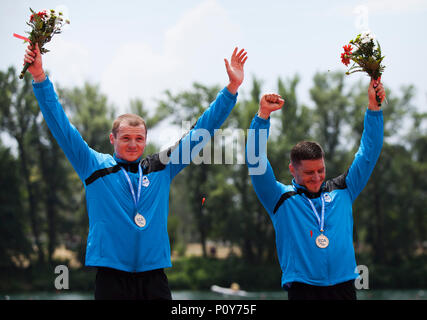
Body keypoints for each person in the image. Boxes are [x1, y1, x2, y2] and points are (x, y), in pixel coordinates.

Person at [24, 43, 248, 300]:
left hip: (154, 276)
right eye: (126, 138)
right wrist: (40, 77)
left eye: (139, 139)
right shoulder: (94, 166)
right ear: (112, 139)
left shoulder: (162, 166)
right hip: (111, 276)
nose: (133, 144)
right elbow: (61, 124)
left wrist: (231, 89)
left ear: (145, 140)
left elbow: (201, 131)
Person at [246, 79, 385, 300]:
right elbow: (256, 162)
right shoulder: (280, 198)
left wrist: (374, 107)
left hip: (344, 287)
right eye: (310, 173)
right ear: (292, 169)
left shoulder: (344, 189)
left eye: (321, 170)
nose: (317, 177)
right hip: (303, 290)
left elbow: (369, 151)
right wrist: (262, 118)